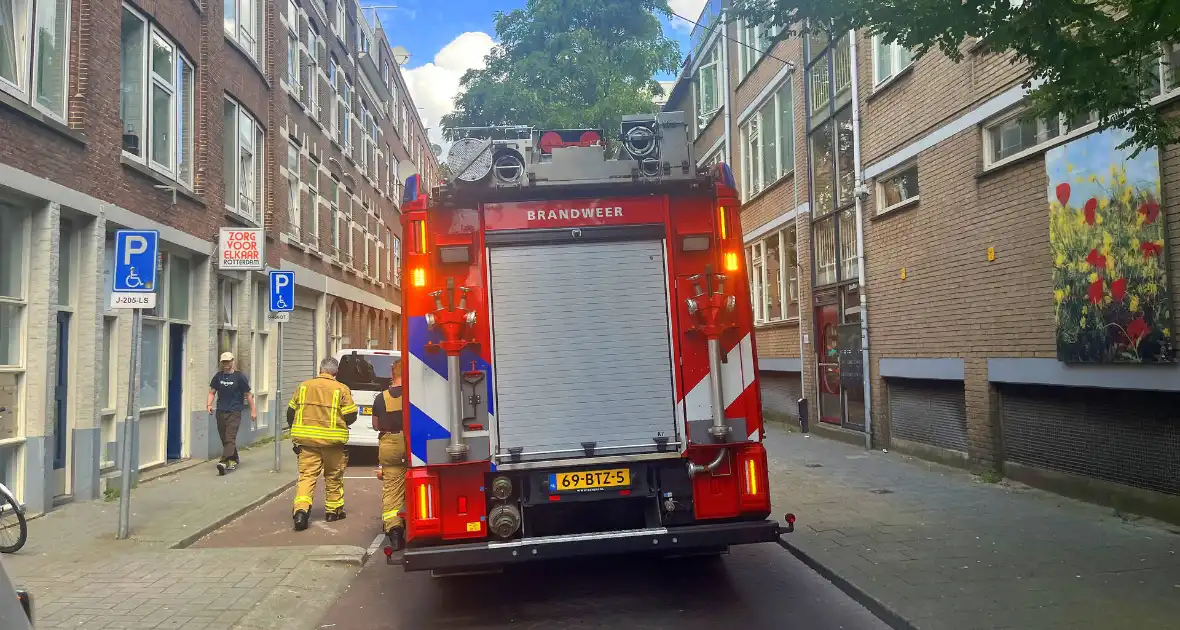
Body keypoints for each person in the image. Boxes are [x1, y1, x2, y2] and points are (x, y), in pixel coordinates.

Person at [286, 356, 359, 531]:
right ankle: (333, 511)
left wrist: (296, 432)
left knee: (307, 477)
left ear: (320, 369)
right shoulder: (341, 389)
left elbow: (290, 412)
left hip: (307, 442)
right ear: (336, 372)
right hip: (332, 444)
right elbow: (351, 415)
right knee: (333, 476)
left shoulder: (303, 386)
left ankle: (301, 512)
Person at [372, 359, 408, 550]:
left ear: (392, 374)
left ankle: (395, 533)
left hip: (390, 446)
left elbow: (376, 425)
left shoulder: (381, 397)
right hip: (412, 446)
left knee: (393, 492)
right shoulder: (413, 395)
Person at [206, 352, 256, 474]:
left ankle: (224, 461)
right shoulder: (218, 377)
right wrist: (208, 405)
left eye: (228, 362)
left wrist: (253, 411)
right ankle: (234, 458)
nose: (226, 364)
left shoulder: (239, 377)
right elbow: (212, 392)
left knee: (230, 437)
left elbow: (248, 394)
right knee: (224, 438)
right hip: (221, 411)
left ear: (232, 361)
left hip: (234, 411)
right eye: (224, 362)